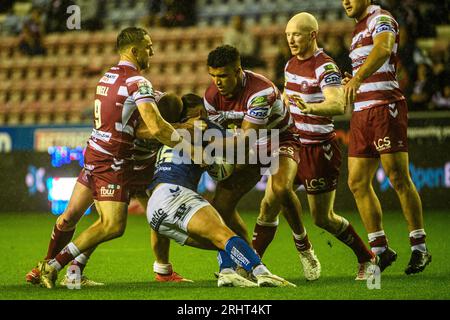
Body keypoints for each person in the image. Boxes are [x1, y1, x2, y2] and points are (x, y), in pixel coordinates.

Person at [34, 27, 198, 288]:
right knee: (112, 225)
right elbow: (154, 127)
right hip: (115, 161)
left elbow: (127, 122)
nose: (152, 52)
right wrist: (189, 143)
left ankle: (69, 273)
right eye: (148, 47)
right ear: (135, 51)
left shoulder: (107, 77)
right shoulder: (138, 82)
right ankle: (52, 265)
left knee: (71, 218)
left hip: (98, 153)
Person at [26, 92, 193, 287]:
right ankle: (49, 265)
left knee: (153, 218)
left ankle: (162, 271)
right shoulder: (141, 107)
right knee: (76, 218)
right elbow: (141, 130)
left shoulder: (164, 107)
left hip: (138, 172)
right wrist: (180, 129)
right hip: (110, 167)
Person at [256, 12, 376, 281]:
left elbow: (337, 104)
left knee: (323, 218)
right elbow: (288, 99)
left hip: (319, 149)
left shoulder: (326, 67)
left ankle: (368, 258)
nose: (291, 40)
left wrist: (311, 108)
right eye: (288, 35)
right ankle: (252, 265)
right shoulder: (289, 65)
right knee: (269, 202)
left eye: (296, 34)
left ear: (312, 35)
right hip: (292, 146)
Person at [146, 94, 295, 288]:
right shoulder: (205, 127)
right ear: (201, 112)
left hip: (155, 211)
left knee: (222, 239)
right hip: (176, 195)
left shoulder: (171, 131)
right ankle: (263, 273)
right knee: (225, 236)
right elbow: (243, 152)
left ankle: (226, 272)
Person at [204, 45, 320, 280]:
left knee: (280, 189)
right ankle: (248, 258)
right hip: (251, 146)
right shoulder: (211, 97)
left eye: (224, 76)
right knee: (221, 206)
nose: (218, 82)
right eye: (213, 76)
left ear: (238, 71)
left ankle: (304, 246)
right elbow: (220, 136)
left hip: (280, 139)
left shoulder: (260, 91)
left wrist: (203, 146)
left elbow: (246, 139)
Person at [341, 0, 431, 274]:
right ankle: (381, 249)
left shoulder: (381, 17)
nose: (346, 1)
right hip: (361, 112)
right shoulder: (357, 29)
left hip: (384, 107)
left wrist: (358, 79)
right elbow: (367, 67)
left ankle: (419, 248)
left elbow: (382, 48)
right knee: (357, 182)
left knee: (398, 177)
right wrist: (353, 79)